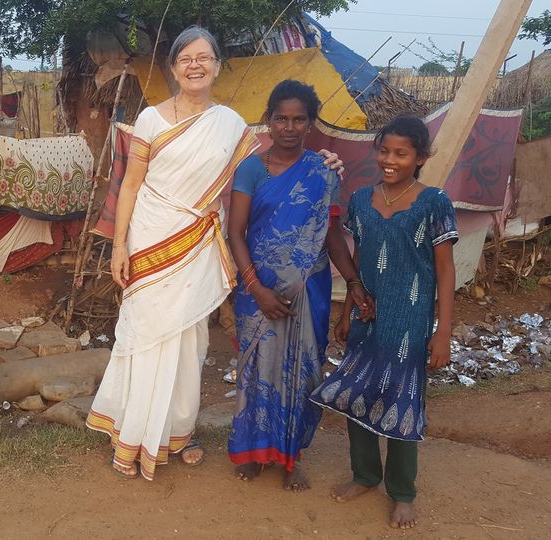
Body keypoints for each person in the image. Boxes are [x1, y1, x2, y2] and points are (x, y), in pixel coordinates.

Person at [85, 26, 342, 481]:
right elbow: (130, 185)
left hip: (199, 242)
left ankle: (178, 433)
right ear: (173, 67)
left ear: (217, 66)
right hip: (151, 238)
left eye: (204, 57)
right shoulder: (150, 120)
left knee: (190, 340)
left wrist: (323, 162)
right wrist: (119, 245)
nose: (195, 66)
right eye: (186, 58)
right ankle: (133, 432)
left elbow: (272, 165)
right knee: (145, 334)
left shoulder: (230, 124)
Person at [308, 115, 457, 529]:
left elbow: (445, 270)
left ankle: (403, 492)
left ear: (420, 158)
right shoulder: (361, 199)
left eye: (401, 154)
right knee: (358, 392)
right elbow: (358, 258)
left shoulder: (434, 202)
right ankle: (365, 475)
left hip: (409, 319)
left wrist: (443, 331)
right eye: (384, 151)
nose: (389, 160)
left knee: (401, 397)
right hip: (366, 313)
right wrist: (345, 312)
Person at [225, 80, 373, 491]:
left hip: (308, 291)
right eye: (281, 119)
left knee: (304, 370)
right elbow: (235, 232)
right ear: (268, 120)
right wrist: (256, 288)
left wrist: (354, 280)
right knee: (257, 370)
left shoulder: (323, 172)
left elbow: (330, 234)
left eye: (298, 120)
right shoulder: (251, 169)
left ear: (310, 124)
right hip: (258, 291)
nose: (288, 127)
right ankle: (254, 453)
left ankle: (292, 457)